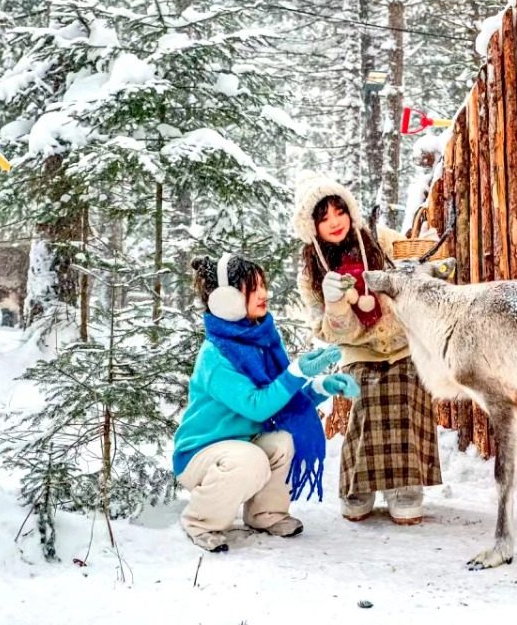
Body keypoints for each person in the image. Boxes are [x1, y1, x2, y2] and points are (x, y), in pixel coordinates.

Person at [173, 253, 360, 552]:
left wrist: (323, 385)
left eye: (264, 285)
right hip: (200, 454)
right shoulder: (215, 355)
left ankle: (265, 513)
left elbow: (280, 399)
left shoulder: (261, 341)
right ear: (227, 299)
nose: (264, 294)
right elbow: (256, 405)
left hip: (241, 444)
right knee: (251, 459)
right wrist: (296, 371)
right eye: (253, 287)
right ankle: (200, 521)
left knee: (283, 440)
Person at [292, 172, 442, 525]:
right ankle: (359, 484)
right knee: (368, 396)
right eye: (323, 216)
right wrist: (337, 305)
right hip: (360, 352)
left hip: (405, 342)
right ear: (311, 225)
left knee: (407, 389)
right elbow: (329, 333)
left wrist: (425, 257)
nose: (334, 222)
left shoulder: (380, 241)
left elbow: (413, 277)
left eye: (338, 211)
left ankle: (406, 485)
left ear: (350, 211)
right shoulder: (310, 273)